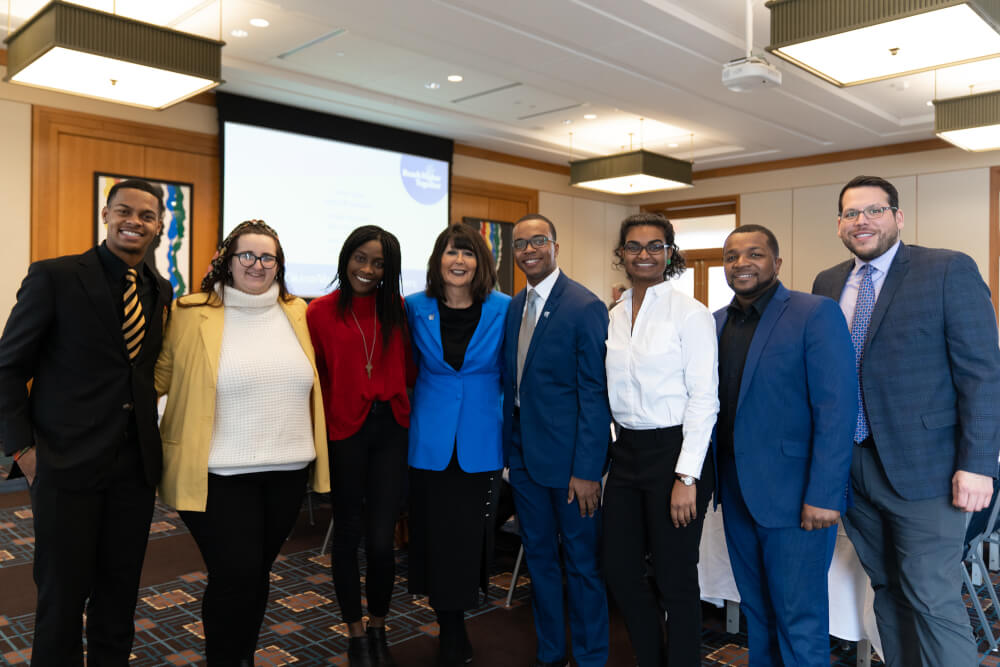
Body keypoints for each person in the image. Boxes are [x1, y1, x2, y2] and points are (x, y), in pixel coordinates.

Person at [813, 175, 1000, 666]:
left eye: (874, 210)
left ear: (898, 217)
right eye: (852, 214)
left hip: (927, 471)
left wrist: (978, 463)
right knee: (887, 589)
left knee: (931, 596)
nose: (862, 221)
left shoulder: (946, 270)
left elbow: (983, 373)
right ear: (839, 225)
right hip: (853, 468)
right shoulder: (828, 283)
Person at [0, 179, 173, 666]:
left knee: (120, 594)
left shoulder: (160, 290)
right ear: (105, 215)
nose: (133, 221)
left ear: (159, 226)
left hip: (134, 467)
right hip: (62, 463)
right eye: (124, 211)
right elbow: (9, 367)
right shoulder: (55, 277)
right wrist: (22, 453)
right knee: (61, 595)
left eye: (146, 215)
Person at [155, 220, 330, 666]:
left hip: (287, 474)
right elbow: (158, 380)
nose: (257, 264)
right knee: (234, 574)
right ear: (227, 261)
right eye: (246, 255)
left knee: (255, 575)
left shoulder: (297, 313)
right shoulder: (191, 313)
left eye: (267, 257)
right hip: (217, 475)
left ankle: (243, 658)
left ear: (279, 265)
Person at [715, 224, 856, 666]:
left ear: (777, 263)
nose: (742, 264)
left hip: (798, 498)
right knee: (757, 613)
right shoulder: (714, 323)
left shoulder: (815, 313)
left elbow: (837, 411)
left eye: (754, 254)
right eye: (732, 256)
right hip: (736, 493)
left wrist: (825, 494)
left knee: (799, 617)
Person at [603, 213, 718, 666]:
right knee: (620, 570)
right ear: (622, 254)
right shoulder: (613, 316)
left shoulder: (691, 314)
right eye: (634, 246)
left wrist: (686, 475)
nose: (644, 254)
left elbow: (704, 399)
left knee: (675, 578)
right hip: (627, 453)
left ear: (670, 253)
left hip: (677, 454)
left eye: (655, 246)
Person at [502, 214, 611, 667]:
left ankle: (589, 657)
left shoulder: (583, 306)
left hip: (571, 470)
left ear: (556, 246)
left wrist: (588, 471)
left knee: (582, 567)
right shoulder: (513, 306)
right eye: (521, 244)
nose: (530, 250)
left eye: (539, 241)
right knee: (540, 563)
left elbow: (595, 393)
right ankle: (551, 652)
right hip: (525, 464)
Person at [306, 225, 411, 667]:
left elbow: (412, 369)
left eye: (379, 263)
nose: (367, 269)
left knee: (382, 541)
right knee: (347, 535)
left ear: (390, 270)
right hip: (344, 430)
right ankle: (354, 633)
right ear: (346, 257)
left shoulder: (399, 311)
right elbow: (317, 377)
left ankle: (379, 625)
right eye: (360, 258)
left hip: (391, 430)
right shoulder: (319, 312)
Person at [406, 224, 511, 666]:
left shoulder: (504, 309)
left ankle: (457, 619)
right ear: (438, 259)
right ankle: (448, 626)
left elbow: (513, 373)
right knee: (432, 537)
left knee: (467, 540)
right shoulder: (414, 307)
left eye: (468, 253)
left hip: (480, 441)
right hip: (428, 441)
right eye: (452, 252)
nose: (459, 261)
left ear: (481, 263)